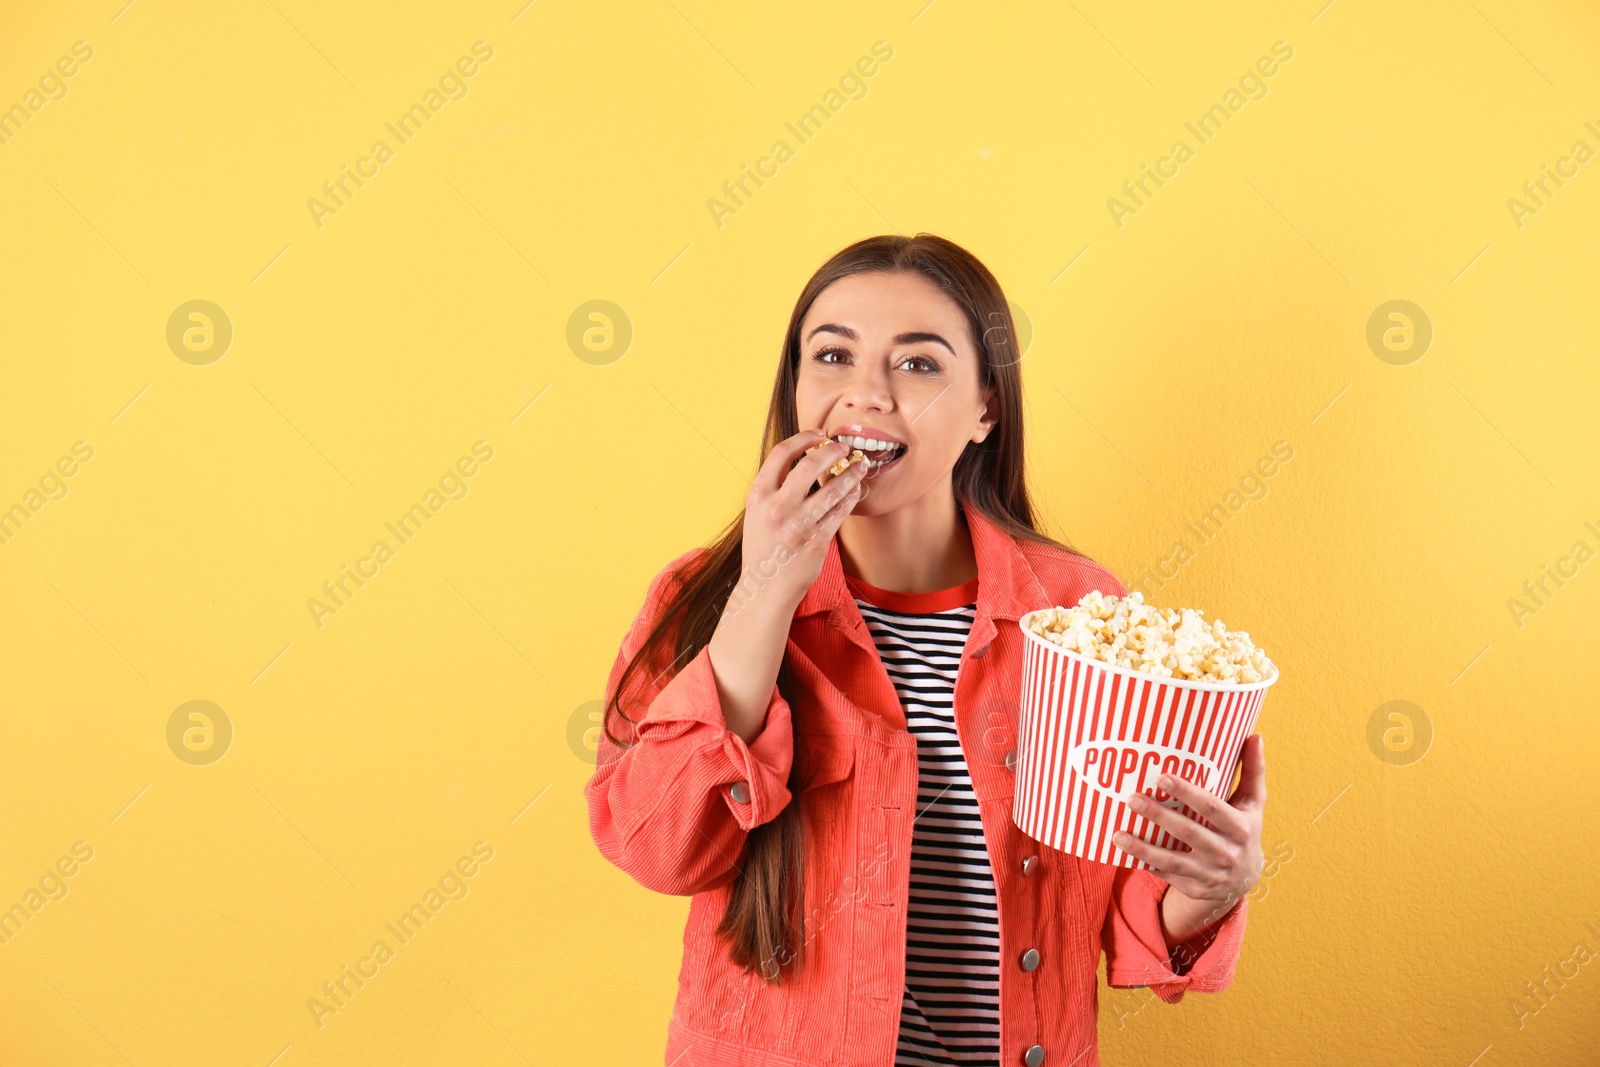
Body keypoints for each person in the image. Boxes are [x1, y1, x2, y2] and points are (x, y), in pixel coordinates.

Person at [585, 233, 1268, 1067]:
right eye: (832, 355)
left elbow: (1120, 913)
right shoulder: (699, 596)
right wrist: (765, 586)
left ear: (987, 408)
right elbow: (657, 847)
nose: (865, 393)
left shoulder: (1080, 613)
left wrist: (1207, 887)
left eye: (916, 365)